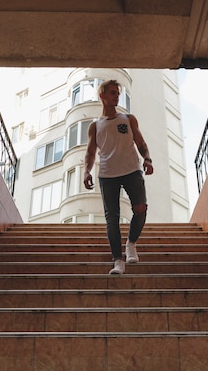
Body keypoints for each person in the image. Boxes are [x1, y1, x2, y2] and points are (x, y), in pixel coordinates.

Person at [83, 79, 154, 275]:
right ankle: (118, 261)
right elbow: (90, 153)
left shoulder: (128, 119)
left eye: (118, 92)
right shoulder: (95, 126)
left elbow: (140, 142)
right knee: (111, 219)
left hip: (132, 170)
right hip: (107, 175)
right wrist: (86, 171)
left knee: (140, 208)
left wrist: (147, 159)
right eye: (112, 92)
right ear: (102, 96)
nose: (117, 96)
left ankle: (131, 243)